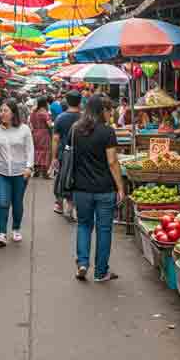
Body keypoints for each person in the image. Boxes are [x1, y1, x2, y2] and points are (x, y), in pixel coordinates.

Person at [70, 93, 126, 282]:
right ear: (103, 110)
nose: (111, 114)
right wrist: (120, 187)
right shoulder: (107, 132)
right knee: (104, 230)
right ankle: (101, 272)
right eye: (110, 110)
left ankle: (83, 263)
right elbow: (112, 162)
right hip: (104, 189)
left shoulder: (76, 129)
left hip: (81, 188)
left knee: (84, 226)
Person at [0, 99, 34, 247]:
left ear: (13, 113)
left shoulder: (24, 129)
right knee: (3, 202)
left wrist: (29, 167)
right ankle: (1, 233)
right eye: (1, 110)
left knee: (17, 203)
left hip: (20, 172)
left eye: (5, 110)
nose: (2, 113)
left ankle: (16, 228)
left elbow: (29, 149)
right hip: (1, 172)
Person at [52, 91, 82, 217]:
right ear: (79, 102)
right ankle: (73, 205)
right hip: (81, 153)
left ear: (67, 101)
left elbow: (55, 139)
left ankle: (60, 204)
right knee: (78, 179)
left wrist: (53, 157)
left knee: (62, 177)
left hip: (64, 153)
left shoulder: (60, 118)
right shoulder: (84, 117)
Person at [30, 97, 53, 178]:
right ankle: (44, 172)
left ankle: (36, 171)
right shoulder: (44, 113)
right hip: (43, 133)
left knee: (36, 151)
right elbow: (50, 125)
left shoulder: (33, 112)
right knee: (45, 151)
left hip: (35, 133)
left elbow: (31, 123)